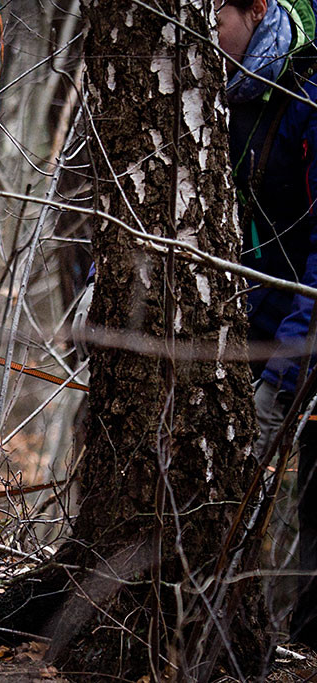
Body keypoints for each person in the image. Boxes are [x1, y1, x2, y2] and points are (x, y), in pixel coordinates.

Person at [219, 0, 317, 647]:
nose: (202, 39)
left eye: (213, 20)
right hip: (265, 323)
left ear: (255, 11)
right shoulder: (227, 94)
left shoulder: (306, 91)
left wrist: (289, 364)